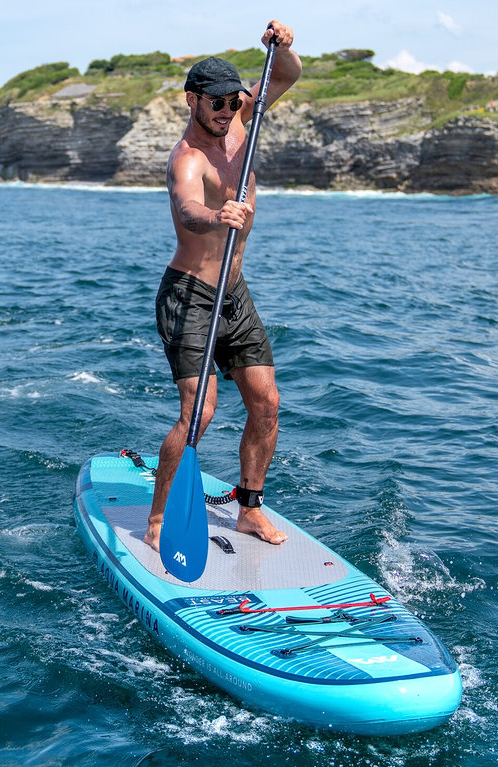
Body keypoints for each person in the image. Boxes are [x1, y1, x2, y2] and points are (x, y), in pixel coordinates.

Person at [144, 20, 301, 552]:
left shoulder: (243, 123)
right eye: (216, 102)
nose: (227, 111)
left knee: (267, 403)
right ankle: (160, 518)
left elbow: (287, 74)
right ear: (192, 100)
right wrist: (217, 216)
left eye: (234, 101)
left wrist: (284, 45)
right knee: (200, 414)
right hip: (188, 297)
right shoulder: (186, 159)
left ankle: (249, 510)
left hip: (234, 295)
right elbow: (188, 209)